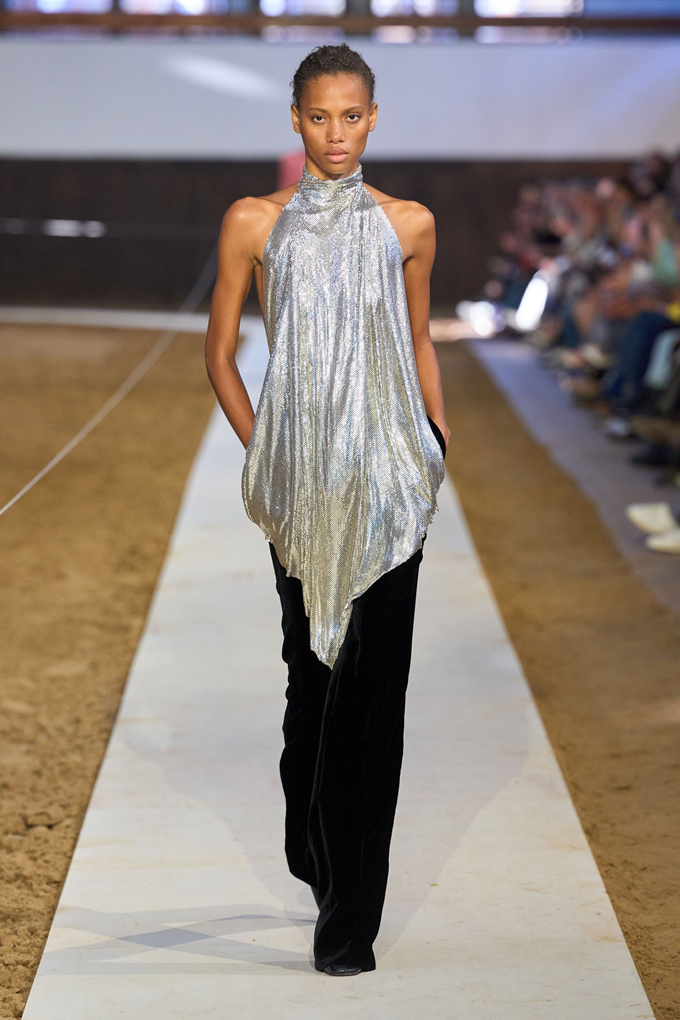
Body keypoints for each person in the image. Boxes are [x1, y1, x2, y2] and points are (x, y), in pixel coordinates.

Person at [205, 43, 450, 977]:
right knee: (310, 688)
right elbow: (220, 354)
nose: (336, 133)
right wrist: (265, 452)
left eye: (352, 116)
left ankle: (349, 925)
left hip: (391, 485)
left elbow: (420, 338)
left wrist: (435, 443)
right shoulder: (253, 222)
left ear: (373, 118)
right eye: (320, 116)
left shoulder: (410, 224)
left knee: (371, 702)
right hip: (300, 493)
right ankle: (314, 851)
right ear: (295, 119)